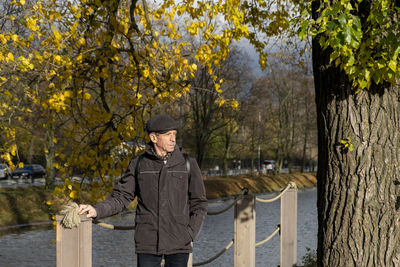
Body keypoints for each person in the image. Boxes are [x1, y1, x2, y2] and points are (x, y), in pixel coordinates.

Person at [79, 114, 208, 267]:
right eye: (168, 135)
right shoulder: (138, 164)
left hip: (179, 243)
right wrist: (96, 210)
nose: (173, 139)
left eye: (174, 134)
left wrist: (190, 234)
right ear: (154, 138)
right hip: (148, 243)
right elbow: (121, 197)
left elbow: (199, 203)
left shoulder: (188, 163)